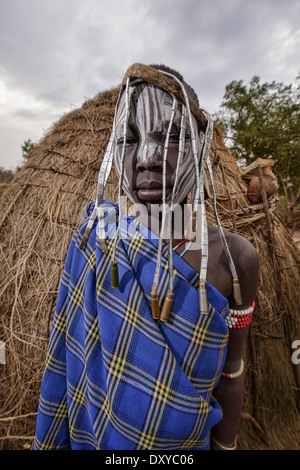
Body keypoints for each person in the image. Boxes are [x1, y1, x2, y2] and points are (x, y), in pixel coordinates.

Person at [33, 63, 259, 451]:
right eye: (129, 139)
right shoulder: (96, 241)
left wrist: (226, 447)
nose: (147, 159)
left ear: (200, 144)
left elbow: (231, 374)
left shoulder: (235, 259)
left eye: (170, 137)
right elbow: (67, 364)